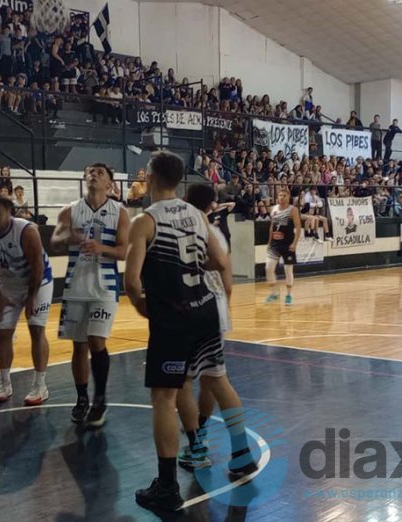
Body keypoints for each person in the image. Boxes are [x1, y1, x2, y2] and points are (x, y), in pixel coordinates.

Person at [125, 151, 246, 512]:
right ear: (178, 180)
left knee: (164, 398)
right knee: (218, 381)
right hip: (205, 310)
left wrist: (147, 308)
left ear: (148, 177)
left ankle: (167, 486)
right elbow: (221, 262)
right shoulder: (196, 214)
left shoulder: (145, 221)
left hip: (173, 317)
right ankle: (242, 455)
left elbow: (131, 283)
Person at [180, 184, 255, 476]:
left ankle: (197, 449)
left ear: (185, 201)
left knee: (183, 382)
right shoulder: (218, 233)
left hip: (192, 309)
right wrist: (223, 304)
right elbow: (227, 277)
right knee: (214, 379)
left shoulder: (183, 230)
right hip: (217, 307)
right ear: (212, 205)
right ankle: (240, 451)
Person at [52, 163, 129, 428]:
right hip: (76, 286)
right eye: (90, 172)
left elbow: (123, 252)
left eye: (100, 172)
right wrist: (71, 237)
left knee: (97, 341)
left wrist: (100, 247)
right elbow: (55, 240)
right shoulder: (70, 210)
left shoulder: (119, 212)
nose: (93, 174)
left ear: (110, 184)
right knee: (79, 345)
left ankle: (100, 398)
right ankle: (82, 397)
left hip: (105, 286)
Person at [0, 195, 53, 405]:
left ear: (10, 212)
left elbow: (37, 268)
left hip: (39, 282)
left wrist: (31, 299)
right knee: (4, 333)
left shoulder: (27, 231)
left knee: (36, 329)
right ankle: (4, 382)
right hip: (8, 285)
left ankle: (40, 385)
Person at [265, 188, 302, 305]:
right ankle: (274, 293)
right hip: (275, 244)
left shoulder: (293, 210)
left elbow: (298, 228)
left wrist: (294, 243)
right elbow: (272, 226)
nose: (281, 197)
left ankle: (289, 295)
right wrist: (269, 242)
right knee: (268, 268)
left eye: (284, 195)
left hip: (288, 244)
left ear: (288, 196)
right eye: (280, 195)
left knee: (288, 270)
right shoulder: (274, 209)